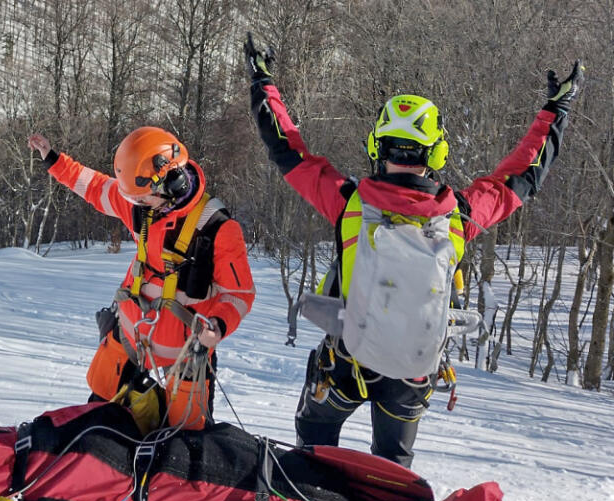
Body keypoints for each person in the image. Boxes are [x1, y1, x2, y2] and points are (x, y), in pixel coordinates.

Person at [244, 33, 583, 466]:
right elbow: (523, 175)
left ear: (376, 147)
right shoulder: (459, 216)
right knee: (391, 471)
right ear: (436, 152)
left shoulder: (349, 203)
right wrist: (557, 109)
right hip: (412, 373)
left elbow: (286, 147)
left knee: (313, 445)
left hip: (346, 363)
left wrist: (262, 81)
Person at [27, 128, 256, 431]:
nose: (136, 203)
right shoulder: (144, 207)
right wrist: (53, 160)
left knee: (181, 450)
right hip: (129, 342)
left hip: (185, 359)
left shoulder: (218, 229)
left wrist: (218, 326)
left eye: (142, 197)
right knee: (95, 425)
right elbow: (95, 187)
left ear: (171, 184)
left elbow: (239, 294)